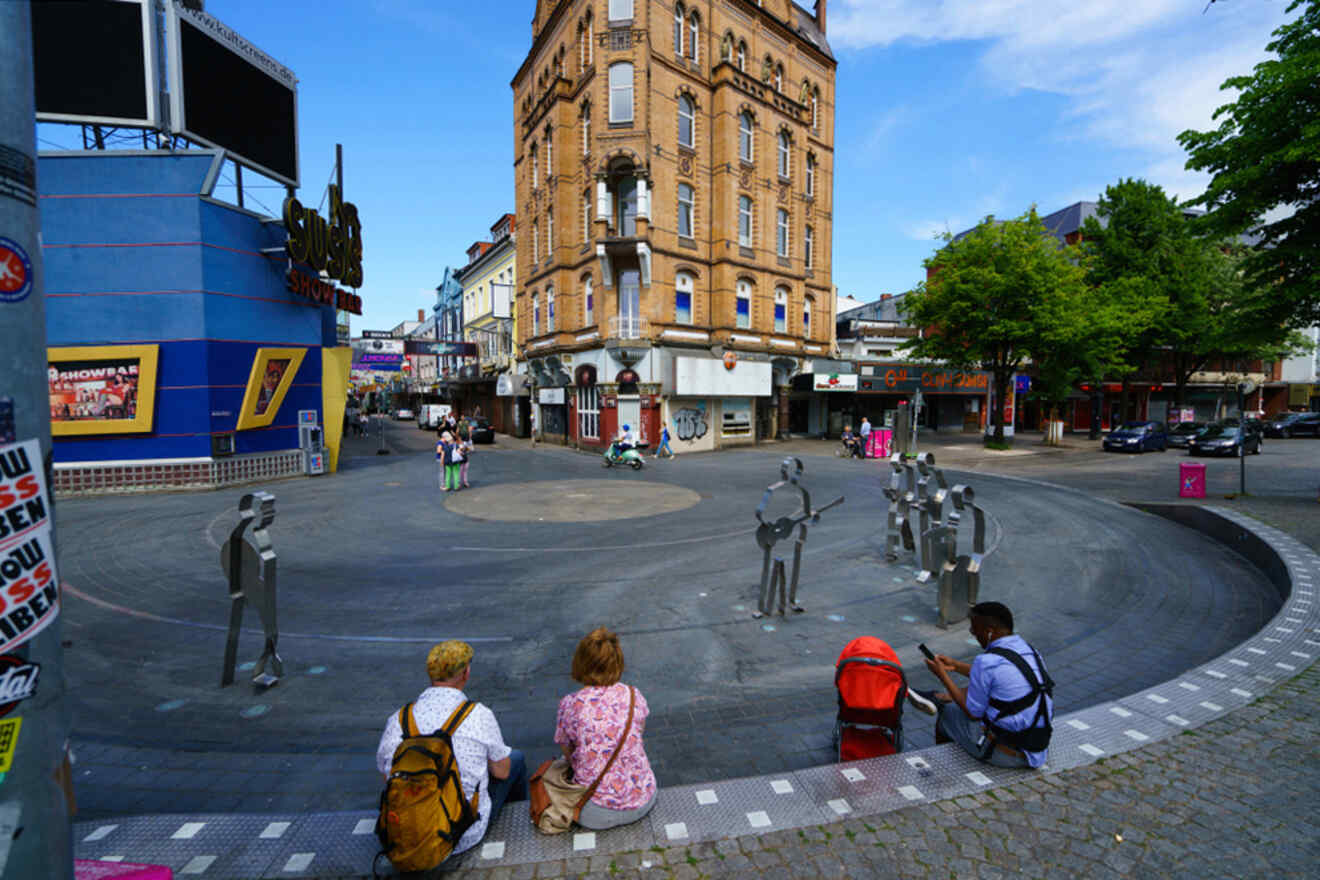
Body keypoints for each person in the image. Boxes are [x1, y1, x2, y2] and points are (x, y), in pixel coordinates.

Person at [376, 641, 526, 860]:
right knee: (516, 759)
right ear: (466, 673)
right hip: (462, 831)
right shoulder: (478, 714)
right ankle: (518, 819)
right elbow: (501, 772)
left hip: (410, 829)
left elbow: (387, 774)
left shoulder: (399, 719)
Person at [913, 601, 1054, 769]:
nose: (973, 633)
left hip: (1008, 754)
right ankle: (941, 697)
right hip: (1036, 746)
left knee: (948, 713)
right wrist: (955, 666)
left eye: (974, 628)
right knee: (977, 694)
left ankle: (944, 769)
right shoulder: (1029, 650)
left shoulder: (986, 661)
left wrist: (941, 675)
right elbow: (996, 678)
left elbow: (973, 713)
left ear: (989, 632)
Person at [554, 628, 657, 830]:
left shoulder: (571, 704)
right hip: (644, 798)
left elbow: (568, 752)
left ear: (581, 663)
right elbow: (637, 734)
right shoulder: (634, 695)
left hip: (595, 812)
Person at [457, 419, 473, 488]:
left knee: (465, 470)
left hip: (465, 458)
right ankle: (458, 483)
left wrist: (466, 448)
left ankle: (465, 482)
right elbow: (455, 449)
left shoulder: (466, 441)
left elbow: (471, 449)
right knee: (459, 472)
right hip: (459, 459)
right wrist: (460, 449)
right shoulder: (457, 442)